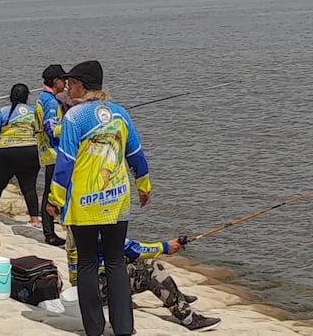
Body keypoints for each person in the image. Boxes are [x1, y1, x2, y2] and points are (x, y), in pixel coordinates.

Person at [46, 61, 151, 336]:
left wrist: (54, 199)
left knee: (88, 263)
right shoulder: (120, 113)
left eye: (70, 84)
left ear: (81, 84)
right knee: (116, 261)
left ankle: (94, 328)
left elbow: (65, 162)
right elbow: (136, 155)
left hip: (85, 202)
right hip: (117, 199)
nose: (67, 89)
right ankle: (124, 328)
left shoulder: (74, 117)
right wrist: (144, 186)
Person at [91, 236, 222, 332]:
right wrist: (165, 247)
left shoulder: (81, 222)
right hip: (99, 286)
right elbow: (134, 249)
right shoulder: (99, 227)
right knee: (151, 266)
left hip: (87, 283)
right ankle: (188, 317)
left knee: (131, 261)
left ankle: (177, 297)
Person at [0, 84, 41, 227]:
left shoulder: (3, 112)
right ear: (27, 97)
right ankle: (34, 219)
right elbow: (40, 132)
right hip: (29, 152)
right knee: (29, 187)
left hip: (6, 153)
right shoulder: (33, 112)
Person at [35, 65, 68, 246]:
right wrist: (70, 127)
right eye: (64, 80)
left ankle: (50, 231)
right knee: (53, 192)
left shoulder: (43, 97)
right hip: (54, 153)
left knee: (50, 191)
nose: (66, 84)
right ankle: (50, 233)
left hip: (47, 153)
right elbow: (50, 129)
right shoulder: (51, 102)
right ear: (56, 81)